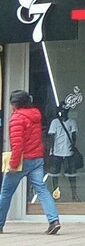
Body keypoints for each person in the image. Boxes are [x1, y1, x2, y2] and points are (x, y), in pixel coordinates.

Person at [0, 90, 61, 235]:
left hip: (22, 160)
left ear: (15, 104)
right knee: (42, 190)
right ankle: (54, 221)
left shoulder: (17, 118)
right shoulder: (35, 115)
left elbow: (17, 145)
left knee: (6, 192)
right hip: (37, 159)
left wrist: (13, 165)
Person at [47, 104, 80, 202]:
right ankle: (55, 194)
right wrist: (52, 150)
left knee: (71, 174)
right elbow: (51, 137)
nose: (63, 112)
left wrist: (73, 146)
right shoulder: (55, 122)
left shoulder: (72, 122)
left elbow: (74, 136)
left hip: (68, 152)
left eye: (65, 110)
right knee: (55, 175)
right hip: (57, 152)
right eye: (62, 110)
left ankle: (74, 194)